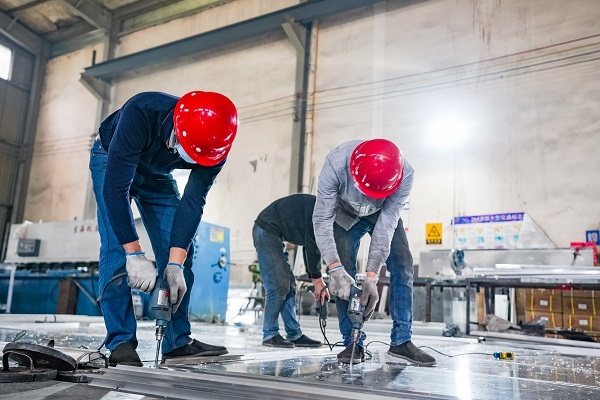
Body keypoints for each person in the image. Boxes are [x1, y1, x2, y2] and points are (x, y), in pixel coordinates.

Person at [89, 91, 238, 366]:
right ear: (177, 127)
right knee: (115, 248)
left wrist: (175, 263)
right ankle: (121, 341)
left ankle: (176, 341)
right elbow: (115, 189)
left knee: (179, 251)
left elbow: (193, 203)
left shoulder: (216, 148)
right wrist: (134, 253)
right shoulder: (141, 111)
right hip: (111, 157)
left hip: (158, 174)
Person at [312, 139, 436, 366]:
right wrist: (334, 266)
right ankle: (352, 342)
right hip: (345, 213)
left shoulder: (405, 174)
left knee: (402, 262)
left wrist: (372, 277)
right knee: (343, 273)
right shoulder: (335, 164)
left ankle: (401, 340)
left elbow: (386, 226)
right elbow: (321, 220)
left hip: (382, 213)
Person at [253, 194, 329, 348]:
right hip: (266, 229)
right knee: (278, 285)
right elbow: (313, 247)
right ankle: (270, 334)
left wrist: (315, 277)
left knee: (290, 285)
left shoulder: (323, 213)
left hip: (275, 234)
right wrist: (317, 280)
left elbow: (310, 247)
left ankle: (294, 334)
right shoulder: (323, 213)